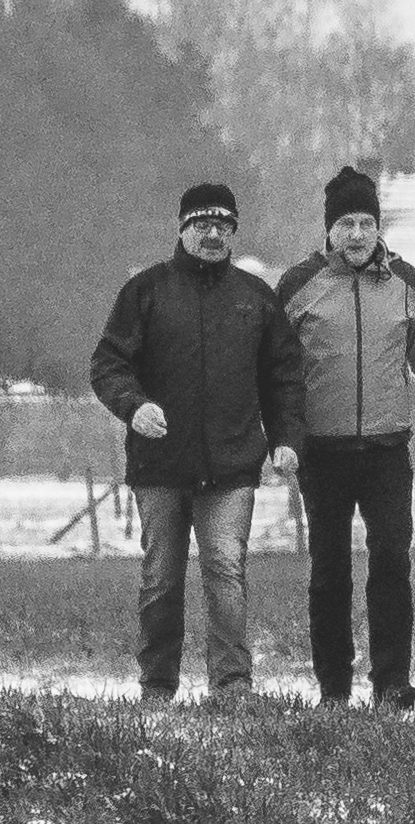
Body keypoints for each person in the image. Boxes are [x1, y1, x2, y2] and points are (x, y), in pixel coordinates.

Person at [88, 182, 305, 703]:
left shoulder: (256, 297)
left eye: (223, 226)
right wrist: (134, 407)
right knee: (161, 577)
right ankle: (157, 685)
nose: (213, 235)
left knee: (226, 571)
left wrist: (286, 438)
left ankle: (231, 686)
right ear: (182, 229)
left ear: (234, 234)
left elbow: (283, 377)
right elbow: (108, 364)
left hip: (232, 467)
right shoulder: (145, 291)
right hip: (160, 467)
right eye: (202, 225)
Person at [273, 165, 415, 709]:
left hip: (386, 452)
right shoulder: (299, 285)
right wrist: (280, 435)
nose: (356, 235)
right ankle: (333, 688)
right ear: (329, 230)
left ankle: (391, 683)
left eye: (366, 224)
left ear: (379, 228)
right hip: (323, 454)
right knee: (329, 571)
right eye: (346, 224)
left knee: (392, 564)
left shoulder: (405, 283)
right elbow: (275, 370)